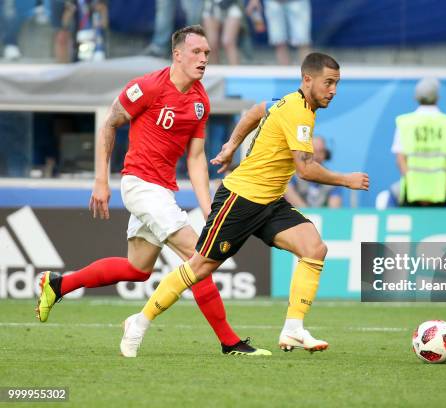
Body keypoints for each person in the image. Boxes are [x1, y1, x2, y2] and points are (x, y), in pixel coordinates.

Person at [36, 25, 270, 356]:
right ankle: (229, 342)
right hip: (139, 184)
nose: (204, 59)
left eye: (207, 54)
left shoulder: (200, 100)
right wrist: (101, 180)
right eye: (196, 52)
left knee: (138, 268)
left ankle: (58, 285)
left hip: (163, 190)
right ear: (177, 54)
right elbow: (110, 123)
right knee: (198, 257)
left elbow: (197, 157)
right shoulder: (148, 86)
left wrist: (208, 209)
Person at [119, 52, 369, 357]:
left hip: (270, 202)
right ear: (307, 80)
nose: (333, 90)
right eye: (328, 83)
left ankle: (293, 327)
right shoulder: (299, 111)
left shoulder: (289, 102)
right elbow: (304, 168)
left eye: (336, 84)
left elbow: (256, 110)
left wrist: (230, 147)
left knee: (314, 248)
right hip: (240, 199)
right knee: (199, 267)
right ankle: (140, 321)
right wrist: (346, 180)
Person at [391, 77, 446, 207]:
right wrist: (443, 187)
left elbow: (400, 160)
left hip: (412, 193)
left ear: (416, 97)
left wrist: (414, 186)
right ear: (437, 97)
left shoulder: (405, 123)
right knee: (438, 228)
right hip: (440, 194)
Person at [247, 0, 311, 65]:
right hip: (273, 3)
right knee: (279, 42)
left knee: (303, 42)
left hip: (298, 2)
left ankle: (309, 74)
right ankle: (285, 74)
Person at [284, 136, 342, 208]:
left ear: (326, 154)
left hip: (323, 218)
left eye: (320, 151)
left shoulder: (333, 178)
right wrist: (308, 215)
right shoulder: (292, 175)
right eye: (313, 151)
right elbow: (289, 193)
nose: (317, 156)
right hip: (298, 216)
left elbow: (334, 209)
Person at [201, 0, 243, 65]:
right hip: (211, 6)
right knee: (211, 44)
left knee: (228, 42)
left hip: (232, 5)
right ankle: (215, 73)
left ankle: (236, 73)